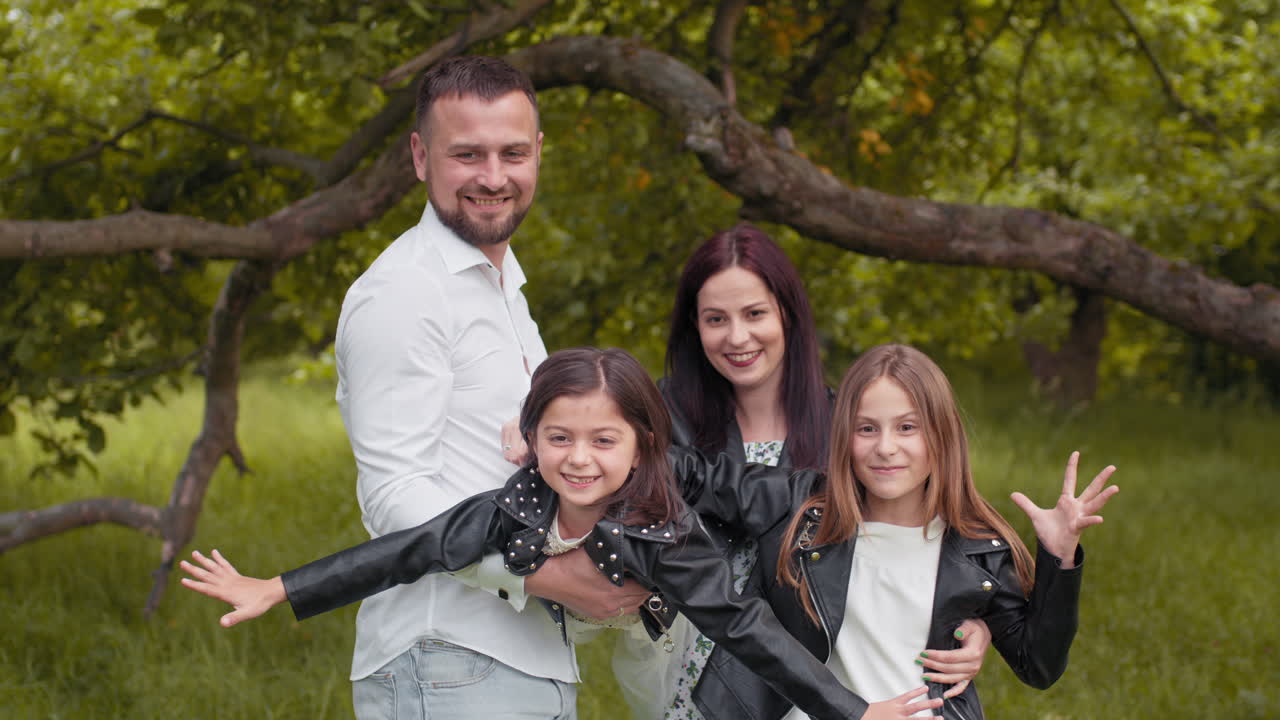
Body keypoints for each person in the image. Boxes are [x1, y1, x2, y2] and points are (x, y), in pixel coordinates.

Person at [180, 348, 883, 720]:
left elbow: (746, 630)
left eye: (603, 440)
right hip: (562, 613)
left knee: (662, 696)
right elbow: (406, 551)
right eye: (559, 438)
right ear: (530, 439)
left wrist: (850, 713)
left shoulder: (667, 531)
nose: (579, 459)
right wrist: (277, 586)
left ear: (640, 446)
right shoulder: (510, 506)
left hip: (658, 618)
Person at [328, 55, 644, 720]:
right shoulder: (405, 292)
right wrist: (554, 578)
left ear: (538, 154)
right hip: (446, 658)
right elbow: (394, 495)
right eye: (467, 154)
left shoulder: (502, 290)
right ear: (420, 156)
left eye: (512, 153)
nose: (493, 178)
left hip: (512, 660)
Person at [630, 225, 990, 720]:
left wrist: (976, 623)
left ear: (788, 315)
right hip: (693, 669)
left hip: (819, 683)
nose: (737, 337)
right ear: (694, 326)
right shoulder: (658, 418)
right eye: (716, 318)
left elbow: (910, 548)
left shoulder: (848, 430)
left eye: (755, 313)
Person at [672, 343, 1119, 720]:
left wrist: (1059, 557)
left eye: (907, 428)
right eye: (867, 429)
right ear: (844, 435)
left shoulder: (976, 549)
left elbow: (1037, 665)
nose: (886, 448)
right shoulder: (798, 507)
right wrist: (611, 447)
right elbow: (688, 473)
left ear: (941, 437)